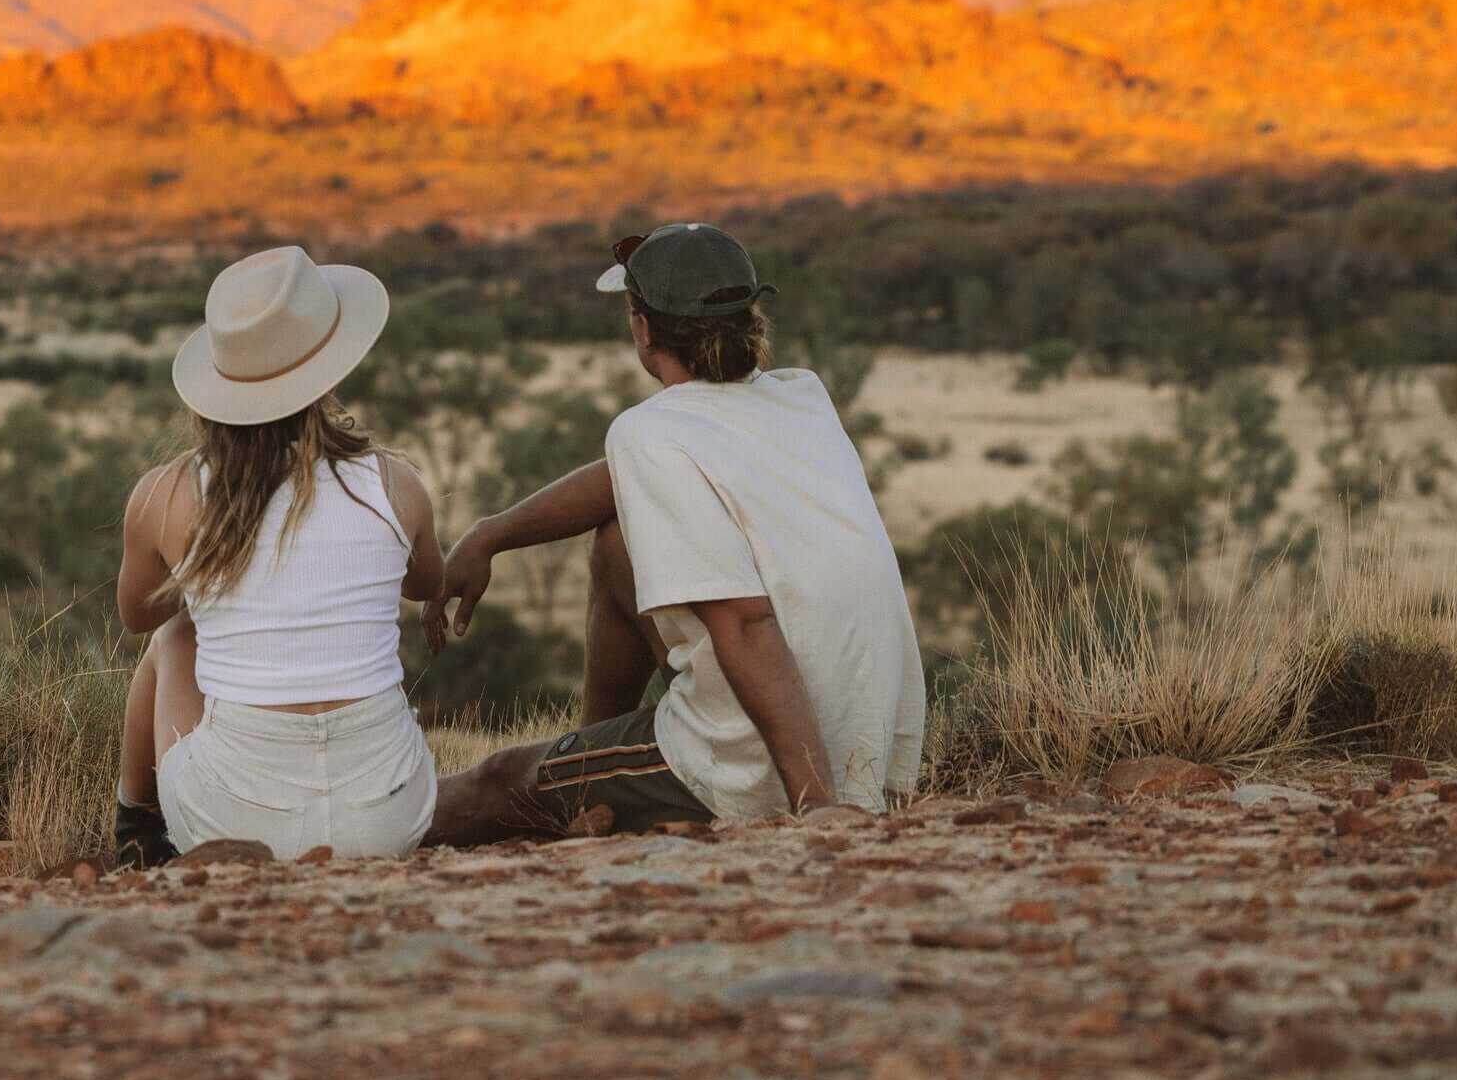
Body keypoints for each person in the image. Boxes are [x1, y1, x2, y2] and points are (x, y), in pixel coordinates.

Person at [423, 222, 923, 842]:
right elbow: (615, 482)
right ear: (750, 319)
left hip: (759, 769)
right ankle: (587, 769)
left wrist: (814, 804)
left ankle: (388, 818)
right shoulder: (802, 397)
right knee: (615, 542)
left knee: (496, 782)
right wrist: (491, 533)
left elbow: (745, 622)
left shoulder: (648, 432)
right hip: (866, 751)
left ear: (643, 327)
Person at [110, 244, 444, 865]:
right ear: (331, 373)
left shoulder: (165, 495)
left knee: (179, 633)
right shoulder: (397, 485)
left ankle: (136, 826)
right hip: (389, 820)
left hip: (230, 821)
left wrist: (215, 569)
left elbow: (136, 616)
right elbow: (427, 583)